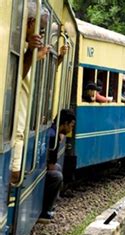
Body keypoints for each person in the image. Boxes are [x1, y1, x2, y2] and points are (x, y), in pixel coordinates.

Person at [11, 1, 50, 184]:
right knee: (14, 175)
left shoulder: (27, 49)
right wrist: (32, 53)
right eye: (40, 30)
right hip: (14, 127)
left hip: (19, 125)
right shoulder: (18, 48)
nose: (41, 35)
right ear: (29, 23)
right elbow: (15, 80)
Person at [39, 109, 76, 222]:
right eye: (71, 125)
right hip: (40, 167)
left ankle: (51, 205)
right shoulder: (52, 136)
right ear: (64, 124)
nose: (71, 129)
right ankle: (45, 211)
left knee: (58, 169)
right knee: (56, 176)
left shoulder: (54, 132)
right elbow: (50, 165)